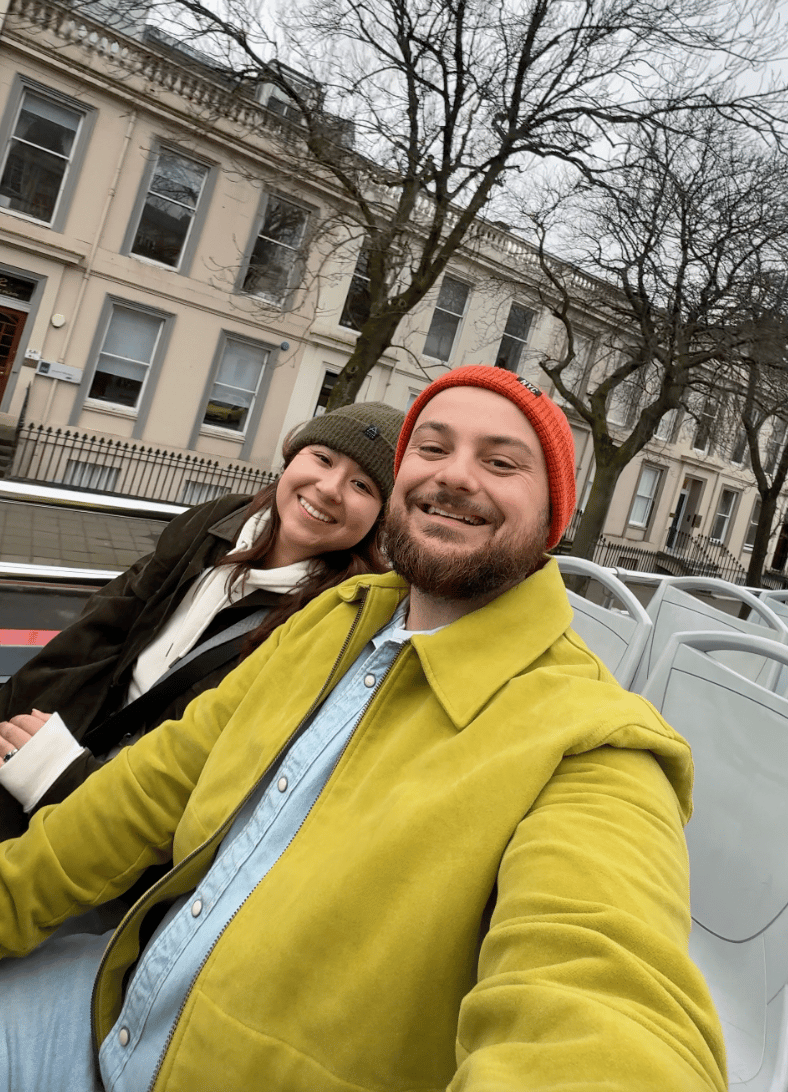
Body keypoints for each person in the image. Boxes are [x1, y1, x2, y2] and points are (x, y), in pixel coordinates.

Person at [0, 365, 726, 1092]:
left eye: (501, 462)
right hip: (107, 1001)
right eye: (433, 449)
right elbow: (142, 792)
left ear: (551, 520)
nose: (457, 477)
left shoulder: (600, 744)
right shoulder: (325, 624)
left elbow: (604, 1000)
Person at [0, 400, 404, 840]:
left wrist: (69, 777)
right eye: (323, 459)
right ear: (293, 457)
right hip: (71, 736)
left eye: (362, 486)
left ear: (381, 518)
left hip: (125, 818)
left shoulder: (340, 618)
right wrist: (15, 718)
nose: (329, 488)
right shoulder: (220, 521)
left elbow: (229, 768)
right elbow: (103, 628)